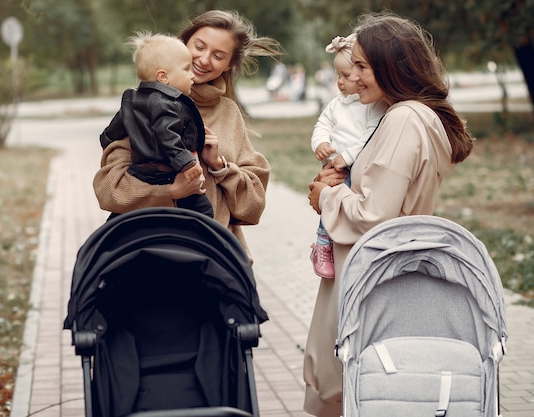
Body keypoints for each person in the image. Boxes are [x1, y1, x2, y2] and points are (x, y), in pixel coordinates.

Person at [303, 11, 474, 417]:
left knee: (350, 383)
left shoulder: (403, 120)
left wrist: (324, 196)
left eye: (362, 65)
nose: (353, 76)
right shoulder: (409, 117)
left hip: (368, 270)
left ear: (391, 66)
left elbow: (374, 216)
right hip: (380, 269)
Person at [93, 10, 282, 258]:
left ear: (228, 65)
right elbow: (108, 188)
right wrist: (170, 192)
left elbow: (253, 204)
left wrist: (220, 167)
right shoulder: (144, 105)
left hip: (212, 257)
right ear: (183, 43)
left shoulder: (228, 112)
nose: (204, 60)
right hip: (146, 252)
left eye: (218, 55)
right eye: (199, 46)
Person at [99, 32, 213, 218]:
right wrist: (187, 164)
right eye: (186, 69)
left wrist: (106, 140)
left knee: (128, 217)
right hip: (166, 172)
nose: (192, 75)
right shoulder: (165, 103)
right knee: (203, 212)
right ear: (163, 77)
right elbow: (167, 136)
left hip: (139, 171)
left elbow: (114, 130)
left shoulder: (132, 98)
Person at [308, 34, 387, 279]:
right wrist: (320, 143)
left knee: (344, 200)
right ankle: (323, 243)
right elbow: (322, 125)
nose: (341, 83)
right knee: (330, 194)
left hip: (353, 163)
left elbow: (370, 134)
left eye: (346, 75)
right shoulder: (336, 104)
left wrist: (349, 156)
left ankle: (342, 239)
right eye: (338, 76)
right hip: (334, 164)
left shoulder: (374, 106)